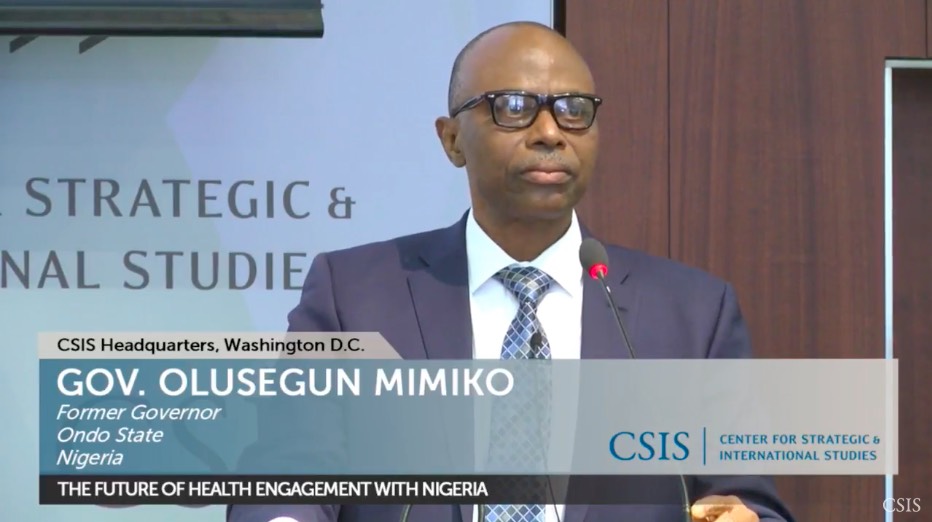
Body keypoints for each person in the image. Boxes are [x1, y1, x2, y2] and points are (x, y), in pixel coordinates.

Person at [228, 21, 796, 522]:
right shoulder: (355, 296)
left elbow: (746, 498)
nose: (550, 132)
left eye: (574, 110)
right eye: (514, 107)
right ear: (452, 139)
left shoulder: (692, 316)